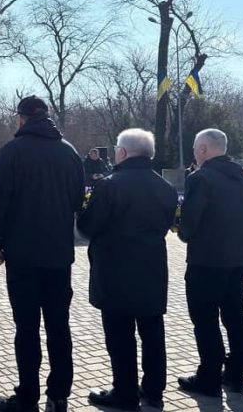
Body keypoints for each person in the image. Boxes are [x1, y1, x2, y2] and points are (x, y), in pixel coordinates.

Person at [0, 96, 84, 412]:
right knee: (59, 327)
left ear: (21, 119)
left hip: (22, 255)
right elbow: (75, 200)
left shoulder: (12, 152)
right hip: (58, 254)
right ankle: (58, 396)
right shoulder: (69, 152)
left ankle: (27, 396)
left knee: (26, 329)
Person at [77, 128, 177, 411]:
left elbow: (87, 227)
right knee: (153, 333)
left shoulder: (109, 185)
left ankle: (125, 392)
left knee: (120, 337)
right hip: (153, 269)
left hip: (115, 270)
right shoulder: (165, 187)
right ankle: (154, 391)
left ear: (122, 152)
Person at [176, 129, 243, 396]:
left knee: (206, 321)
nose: (195, 153)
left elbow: (189, 225)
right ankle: (237, 375)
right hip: (239, 259)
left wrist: (181, 228)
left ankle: (208, 379)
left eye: (197, 148)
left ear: (204, 150)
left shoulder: (201, 179)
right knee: (236, 317)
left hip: (207, 262)